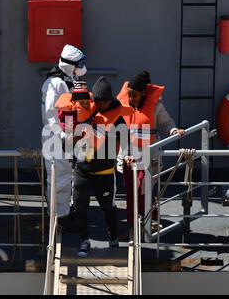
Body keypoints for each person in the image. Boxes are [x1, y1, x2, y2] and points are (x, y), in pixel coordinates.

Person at [72, 77, 134, 258]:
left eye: (103, 102)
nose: (99, 105)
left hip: (104, 172)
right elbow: (70, 132)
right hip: (82, 170)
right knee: (80, 207)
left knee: (108, 208)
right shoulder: (86, 113)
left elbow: (126, 142)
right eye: (96, 102)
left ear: (110, 100)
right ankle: (84, 241)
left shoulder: (117, 119)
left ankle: (113, 241)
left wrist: (128, 154)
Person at [117, 71, 185, 233]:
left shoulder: (156, 107)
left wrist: (174, 131)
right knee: (130, 193)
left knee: (144, 190)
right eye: (129, 95)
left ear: (142, 93)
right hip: (128, 157)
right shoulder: (122, 106)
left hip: (149, 156)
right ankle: (133, 225)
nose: (131, 98)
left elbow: (167, 123)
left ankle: (150, 221)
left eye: (134, 95)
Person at [41, 45, 87, 225]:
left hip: (66, 136)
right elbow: (50, 114)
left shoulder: (66, 81)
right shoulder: (56, 84)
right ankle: (59, 216)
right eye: (78, 64)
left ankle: (64, 211)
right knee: (58, 177)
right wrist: (61, 136)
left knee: (66, 175)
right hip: (55, 137)